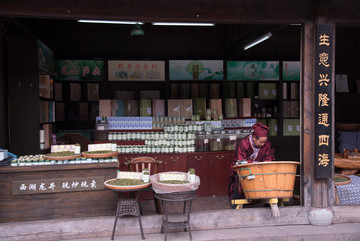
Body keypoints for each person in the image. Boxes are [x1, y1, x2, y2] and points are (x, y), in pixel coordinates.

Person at [228, 122, 275, 204]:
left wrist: (265, 162)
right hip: (243, 168)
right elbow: (240, 160)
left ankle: (264, 200)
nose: (263, 144)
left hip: (259, 168)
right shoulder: (243, 143)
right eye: (261, 142)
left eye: (264, 142)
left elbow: (269, 156)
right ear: (254, 137)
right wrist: (254, 163)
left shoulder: (266, 144)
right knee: (241, 181)